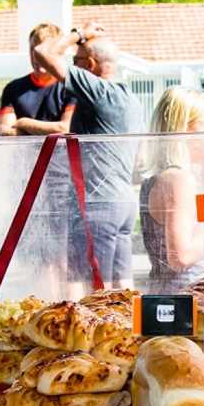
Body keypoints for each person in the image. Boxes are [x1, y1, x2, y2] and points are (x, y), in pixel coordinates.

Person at [35, 22, 144, 288]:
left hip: (96, 205)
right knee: (123, 290)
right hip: (122, 203)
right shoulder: (130, 99)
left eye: (76, 59)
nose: (72, 63)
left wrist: (78, 35)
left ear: (92, 64)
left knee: (87, 294)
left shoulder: (98, 91)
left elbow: (43, 53)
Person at [139, 87, 204, 293]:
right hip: (186, 299)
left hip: (167, 293)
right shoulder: (178, 180)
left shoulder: (160, 177)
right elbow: (180, 256)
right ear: (185, 129)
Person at [0, 23, 76, 136]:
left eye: (43, 52)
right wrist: (50, 129)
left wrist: (24, 123)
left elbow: (65, 129)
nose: (36, 57)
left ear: (60, 53)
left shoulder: (71, 88)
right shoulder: (13, 88)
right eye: (33, 50)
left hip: (60, 154)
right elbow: (4, 131)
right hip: (24, 154)